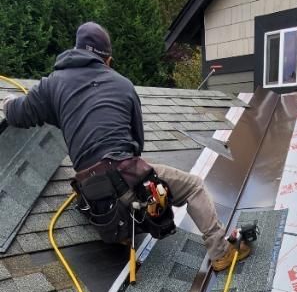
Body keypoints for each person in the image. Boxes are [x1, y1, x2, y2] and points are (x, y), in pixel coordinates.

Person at [2, 22, 250, 271]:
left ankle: (122, 230)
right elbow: (137, 144)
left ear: (76, 50)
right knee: (193, 186)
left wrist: (7, 103)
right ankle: (221, 252)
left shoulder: (52, 84)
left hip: (94, 195)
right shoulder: (122, 85)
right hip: (125, 177)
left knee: (125, 189)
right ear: (107, 60)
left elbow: (18, 114)